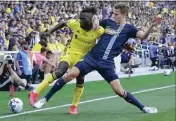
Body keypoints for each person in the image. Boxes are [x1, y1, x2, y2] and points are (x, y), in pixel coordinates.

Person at [34, 3, 162, 114]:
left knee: (119, 91)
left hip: (107, 63)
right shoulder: (108, 22)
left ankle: (143, 108)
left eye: (116, 14)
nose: (113, 15)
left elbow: (143, 36)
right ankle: (44, 99)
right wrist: (95, 19)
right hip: (92, 57)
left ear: (123, 15)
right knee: (69, 75)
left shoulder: (129, 29)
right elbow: (91, 22)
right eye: (112, 13)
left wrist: (151, 25)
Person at [29, 7, 105, 112]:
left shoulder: (98, 31)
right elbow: (63, 23)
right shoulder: (76, 23)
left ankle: (74, 106)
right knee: (60, 71)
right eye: (80, 18)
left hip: (83, 58)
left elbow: (110, 33)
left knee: (80, 79)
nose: (81, 21)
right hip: (69, 52)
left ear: (91, 21)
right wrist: (50, 32)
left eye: (83, 19)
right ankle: (35, 92)